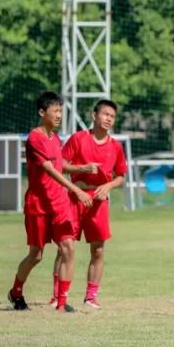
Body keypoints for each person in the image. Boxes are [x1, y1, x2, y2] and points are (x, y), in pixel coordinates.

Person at [7, 92, 92, 312]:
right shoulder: (34, 138)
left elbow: (60, 165)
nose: (58, 116)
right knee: (36, 255)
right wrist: (76, 190)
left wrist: (80, 169)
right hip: (38, 205)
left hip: (60, 203)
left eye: (61, 112)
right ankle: (16, 291)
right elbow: (49, 169)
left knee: (68, 248)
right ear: (42, 112)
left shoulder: (56, 139)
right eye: (55, 111)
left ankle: (62, 303)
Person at [50, 99, 128, 309]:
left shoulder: (115, 147)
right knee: (65, 248)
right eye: (105, 114)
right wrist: (81, 169)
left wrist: (108, 186)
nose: (109, 119)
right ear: (94, 116)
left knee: (98, 251)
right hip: (75, 198)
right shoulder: (78, 139)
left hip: (98, 203)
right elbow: (61, 165)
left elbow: (121, 176)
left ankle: (91, 297)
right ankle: (57, 295)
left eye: (112, 116)